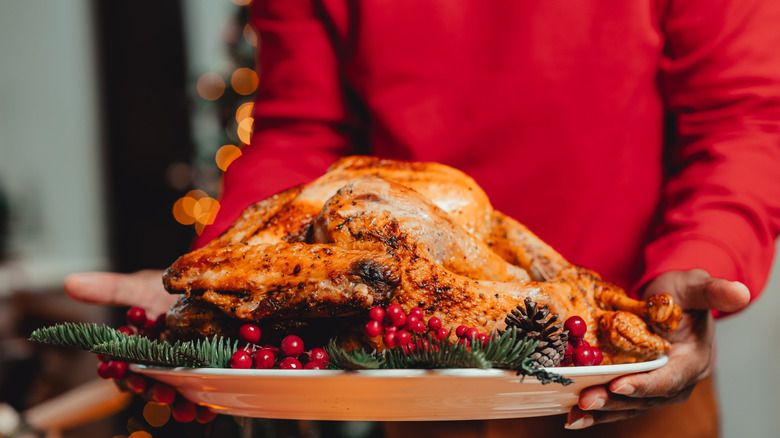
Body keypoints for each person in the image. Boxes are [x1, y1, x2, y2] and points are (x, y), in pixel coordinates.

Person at [66, 0, 780, 436]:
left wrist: (707, 256)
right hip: (417, 370)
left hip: (613, 360)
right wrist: (230, 276)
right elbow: (304, 129)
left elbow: (742, 115)